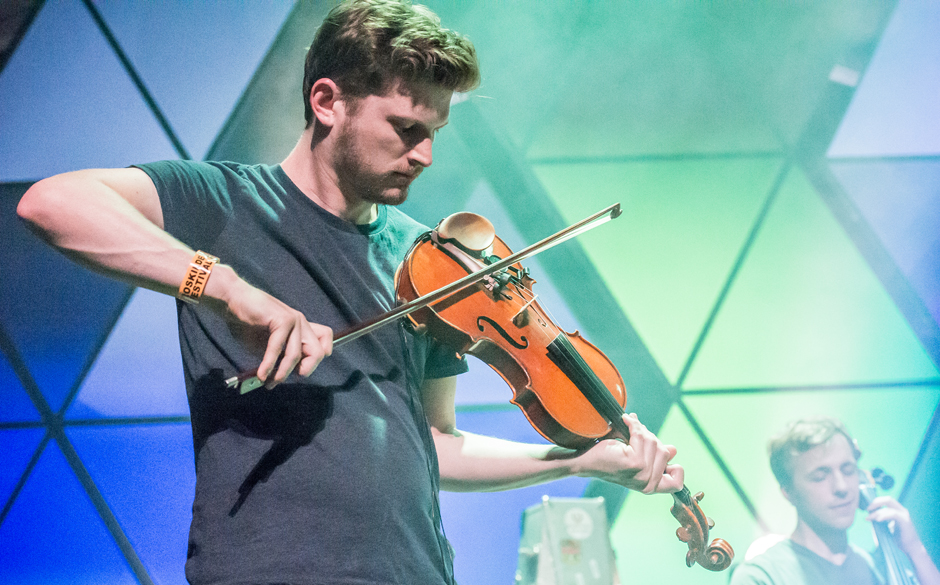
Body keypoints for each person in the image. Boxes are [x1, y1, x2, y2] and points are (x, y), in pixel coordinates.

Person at [17, 1, 684, 583]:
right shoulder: (224, 200)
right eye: (404, 128)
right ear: (327, 101)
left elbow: (436, 443)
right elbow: (53, 203)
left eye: (434, 134)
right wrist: (222, 286)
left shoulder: (433, 261)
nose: (424, 155)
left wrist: (573, 461)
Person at [730, 417, 940, 585]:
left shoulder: (877, 569)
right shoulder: (761, 576)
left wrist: (915, 550)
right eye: (820, 476)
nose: (842, 487)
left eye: (848, 470)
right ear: (788, 492)